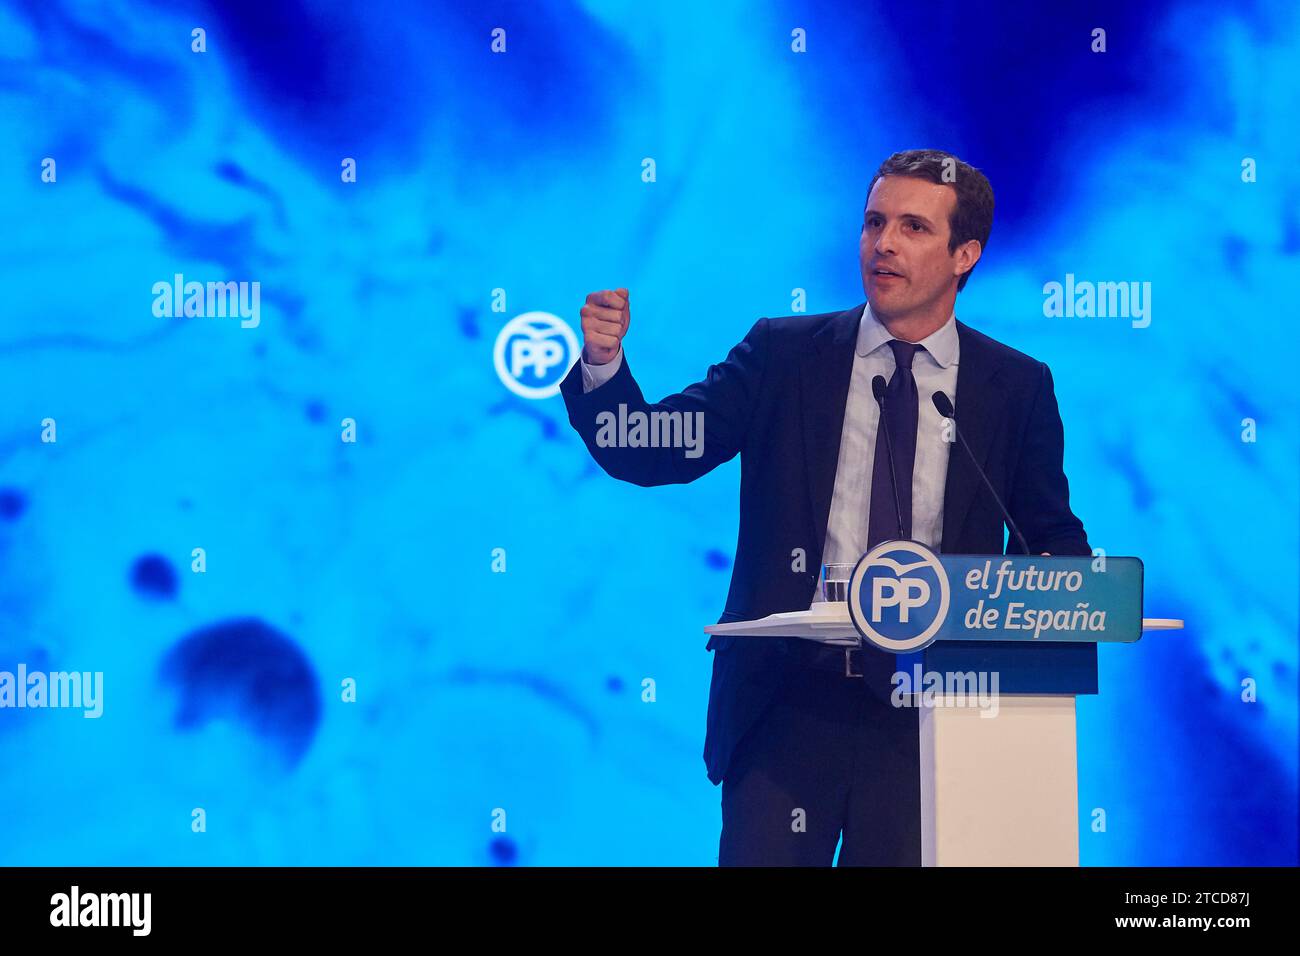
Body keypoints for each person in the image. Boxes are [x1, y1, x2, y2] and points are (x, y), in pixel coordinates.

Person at [560, 149, 1091, 865]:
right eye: (874, 222)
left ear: (965, 254)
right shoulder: (783, 354)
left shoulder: (1015, 387)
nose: (884, 244)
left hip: (929, 719)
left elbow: (1048, 535)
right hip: (786, 708)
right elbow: (654, 450)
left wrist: (1078, 594)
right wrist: (603, 368)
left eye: (913, 227)